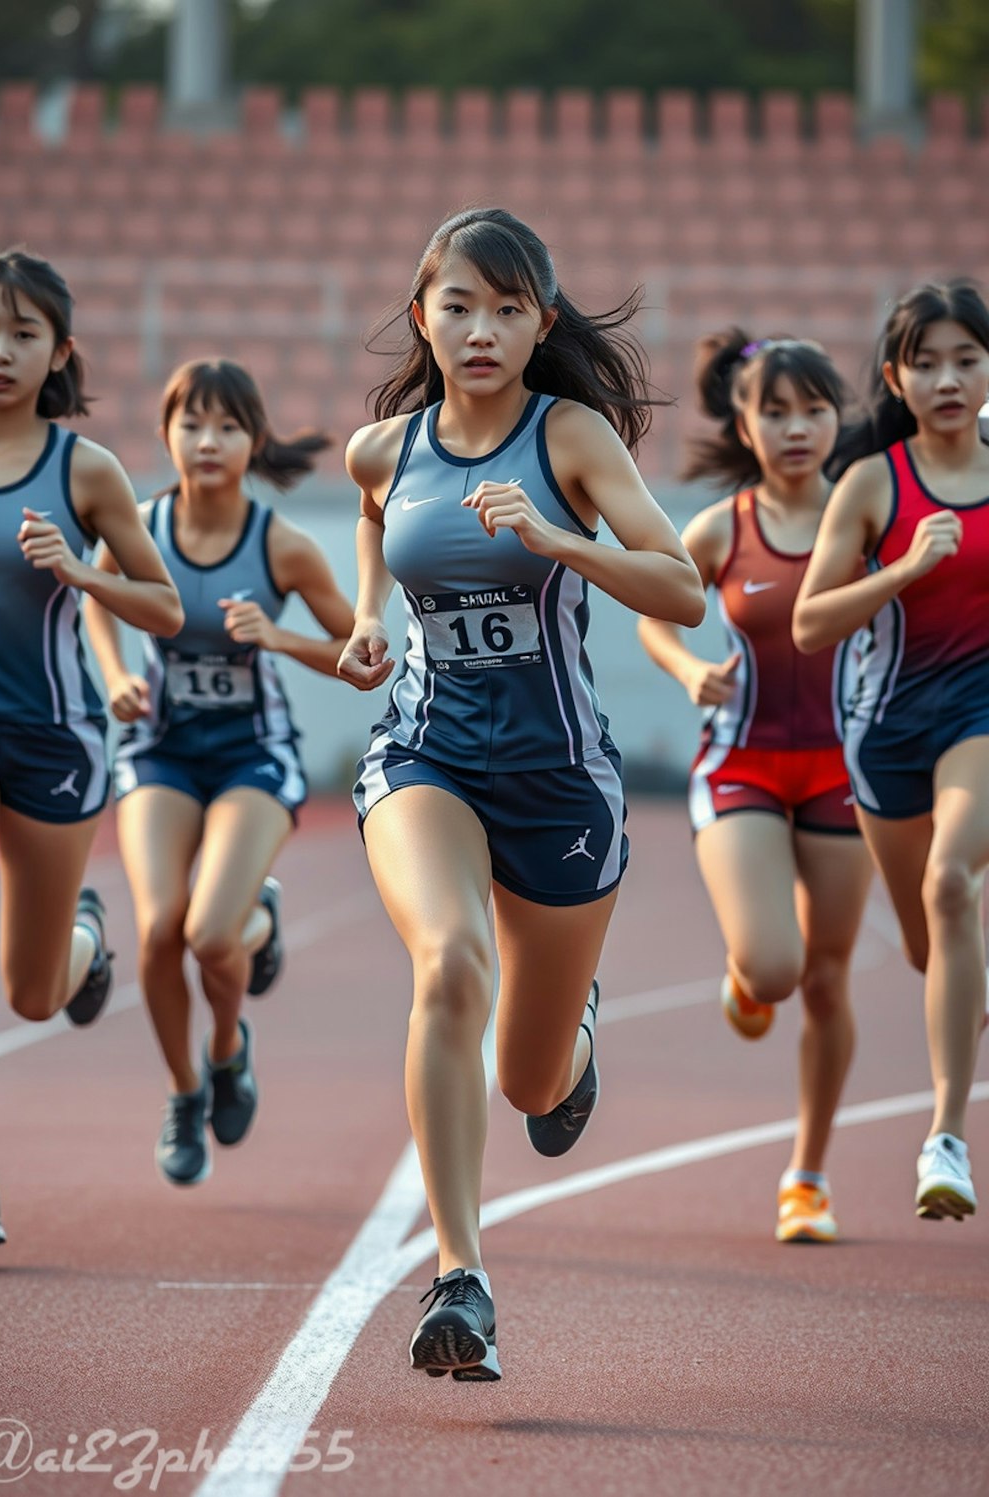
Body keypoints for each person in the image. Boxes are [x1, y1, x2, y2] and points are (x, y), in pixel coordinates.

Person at [337, 206, 705, 1379]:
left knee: (529, 1080)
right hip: (426, 757)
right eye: (457, 304)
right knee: (449, 963)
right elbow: (367, 520)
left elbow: (680, 589)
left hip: (559, 784)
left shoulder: (573, 437)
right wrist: (360, 620)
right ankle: (460, 1275)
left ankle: (572, 1034)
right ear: (421, 315)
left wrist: (559, 541)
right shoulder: (381, 451)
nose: (480, 329)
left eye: (506, 308)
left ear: (541, 322)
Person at [85, 359, 354, 1188]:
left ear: (253, 440)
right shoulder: (141, 527)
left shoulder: (280, 544)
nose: (208, 442)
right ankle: (183, 1089)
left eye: (228, 426)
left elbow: (363, 656)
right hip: (162, 751)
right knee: (162, 926)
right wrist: (116, 675)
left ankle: (229, 1048)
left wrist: (280, 639)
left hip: (250, 755)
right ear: (166, 434)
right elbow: (96, 597)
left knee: (210, 934)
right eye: (191, 424)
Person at [0, 249, 183, 1248]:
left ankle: (84, 944)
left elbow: (166, 608)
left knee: (33, 988)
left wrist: (81, 574)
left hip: (55, 737)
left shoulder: (83, 470)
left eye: (21, 334)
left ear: (58, 351)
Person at [638, 332, 872, 1244]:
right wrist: (687, 667)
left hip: (845, 767)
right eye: (774, 411)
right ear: (743, 420)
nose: (796, 428)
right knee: (778, 967)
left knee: (827, 978)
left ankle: (806, 1177)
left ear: (838, 417)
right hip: (740, 760)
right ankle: (746, 971)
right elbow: (657, 616)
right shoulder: (719, 529)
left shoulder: (869, 518)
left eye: (814, 408)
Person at [793, 280, 989, 1223]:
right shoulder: (874, 484)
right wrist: (906, 567)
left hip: (979, 717)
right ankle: (968, 989)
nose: (948, 378)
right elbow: (808, 621)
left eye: (966, 358)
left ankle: (945, 1132)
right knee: (929, 944)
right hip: (887, 734)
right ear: (895, 377)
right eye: (927, 361)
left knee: (953, 884)